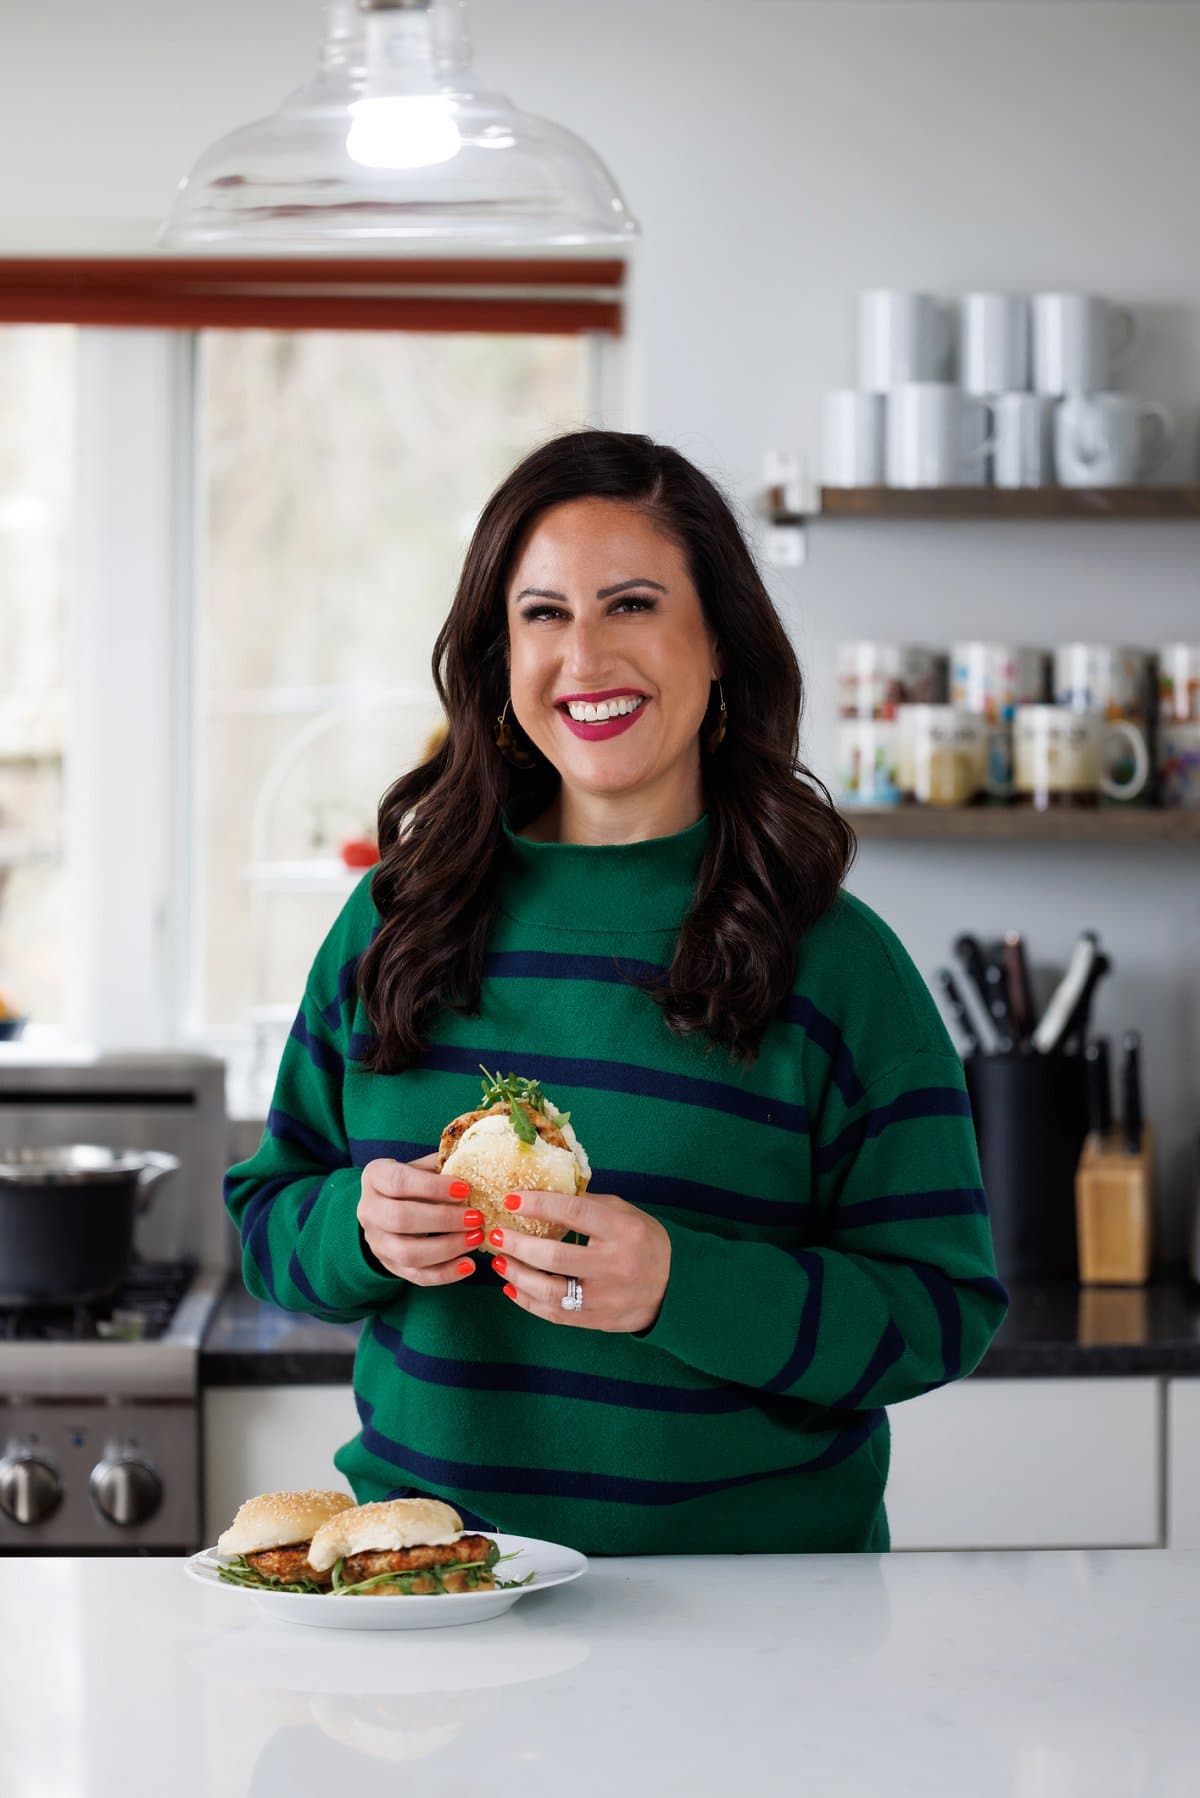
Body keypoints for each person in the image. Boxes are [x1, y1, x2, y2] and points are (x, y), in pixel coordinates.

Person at [224, 428, 1008, 1555]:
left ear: (719, 640)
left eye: (631, 604)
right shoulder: (396, 920)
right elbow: (267, 1214)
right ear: (500, 657)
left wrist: (686, 1286)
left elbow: (942, 1308)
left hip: (760, 1611)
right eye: (543, 614)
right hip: (440, 1585)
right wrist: (356, 1229)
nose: (584, 657)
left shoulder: (838, 961)